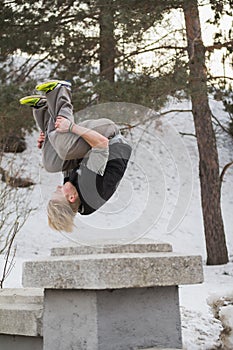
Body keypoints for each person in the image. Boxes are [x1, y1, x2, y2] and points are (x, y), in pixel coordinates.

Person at [19, 80, 132, 232]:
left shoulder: (73, 194)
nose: (58, 186)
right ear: (71, 197)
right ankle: (60, 91)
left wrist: (48, 141)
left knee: (50, 164)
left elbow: (65, 160)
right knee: (66, 148)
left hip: (89, 152)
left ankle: (43, 108)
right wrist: (71, 127)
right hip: (109, 136)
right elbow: (101, 143)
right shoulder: (91, 187)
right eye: (59, 191)